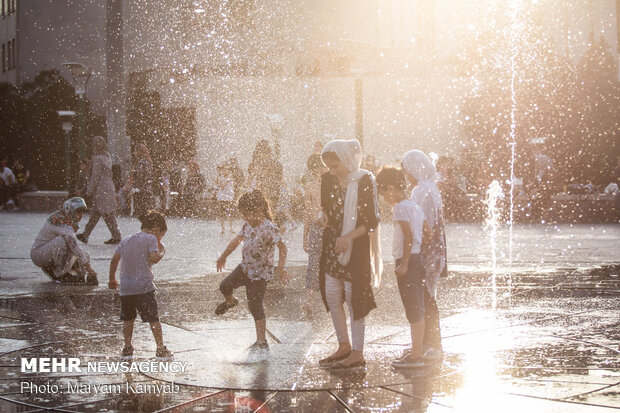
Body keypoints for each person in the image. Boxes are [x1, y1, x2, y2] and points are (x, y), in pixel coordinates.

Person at [317, 139, 382, 371]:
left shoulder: (365, 180)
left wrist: (349, 238)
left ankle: (357, 352)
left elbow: (372, 221)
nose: (332, 171)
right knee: (333, 296)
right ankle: (343, 345)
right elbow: (324, 207)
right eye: (329, 167)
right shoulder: (327, 179)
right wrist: (322, 215)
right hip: (333, 246)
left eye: (335, 166)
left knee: (355, 299)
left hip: (355, 249)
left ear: (347, 159)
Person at [215, 190, 290, 351]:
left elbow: (283, 248)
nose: (246, 218)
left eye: (248, 214)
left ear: (259, 210)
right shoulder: (247, 225)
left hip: (261, 275)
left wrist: (281, 268)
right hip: (244, 268)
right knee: (224, 286)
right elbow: (237, 240)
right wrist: (223, 256)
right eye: (243, 215)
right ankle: (231, 302)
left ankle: (261, 342)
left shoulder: (270, 228)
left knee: (255, 305)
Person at [376, 166, 431, 368]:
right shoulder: (415, 206)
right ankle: (418, 349)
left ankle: (416, 355)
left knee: (412, 307)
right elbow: (428, 232)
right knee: (418, 305)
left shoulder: (399, 208)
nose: (383, 198)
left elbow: (408, 235)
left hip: (407, 261)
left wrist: (406, 262)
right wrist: (417, 252)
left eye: (383, 193)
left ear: (390, 188)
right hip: (417, 259)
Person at [108, 210, 173, 360]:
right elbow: (154, 258)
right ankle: (160, 348)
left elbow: (114, 260)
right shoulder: (151, 238)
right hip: (144, 287)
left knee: (128, 319)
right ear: (156, 229)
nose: (159, 238)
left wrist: (112, 279)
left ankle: (127, 347)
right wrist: (162, 250)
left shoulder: (126, 240)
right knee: (153, 318)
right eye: (161, 235)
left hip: (126, 289)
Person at [402, 150, 447, 360]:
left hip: (425, 250)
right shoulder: (430, 188)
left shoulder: (422, 191)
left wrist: (413, 250)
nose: (406, 175)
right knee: (428, 296)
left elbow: (421, 224)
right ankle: (425, 343)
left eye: (407, 170)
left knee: (426, 298)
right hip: (435, 249)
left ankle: (431, 345)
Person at [30, 197, 98, 284]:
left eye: (83, 211)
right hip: (39, 255)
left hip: (47, 252)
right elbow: (73, 245)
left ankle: (76, 275)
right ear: (70, 210)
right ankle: (59, 274)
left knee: (85, 254)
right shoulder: (61, 222)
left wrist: (83, 272)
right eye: (78, 211)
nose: (81, 214)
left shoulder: (66, 217)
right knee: (65, 242)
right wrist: (90, 269)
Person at [77, 136, 122, 245]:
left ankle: (116, 236)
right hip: (108, 186)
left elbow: (95, 176)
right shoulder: (107, 157)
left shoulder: (97, 158)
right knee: (98, 213)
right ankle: (85, 235)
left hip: (101, 188)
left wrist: (90, 190)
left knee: (106, 214)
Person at [301, 153, 326, 316]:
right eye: (314, 170)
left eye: (320, 168)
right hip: (316, 229)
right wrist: (305, 235)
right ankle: (309, 300)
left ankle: (335, 298)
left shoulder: (336, 184)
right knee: (313, 264)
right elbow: (307, 212)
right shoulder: (310, 187)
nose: (317, 172)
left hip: (331, 228)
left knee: (330, 263)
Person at [132, 143, 155, 218]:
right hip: (148, 190)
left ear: (139, 152)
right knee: (147, 213)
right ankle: (149, 228)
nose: (134, 153)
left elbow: (140, 178)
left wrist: (134, 190)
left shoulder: (142, 163)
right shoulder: (148, 162)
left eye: (135, 151)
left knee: (141, 213)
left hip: (142, 192)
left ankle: (148, 228)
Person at [215, 163, 235, 233]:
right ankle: (223, 228)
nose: (225, 171)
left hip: (229, 196)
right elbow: (221, 186)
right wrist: (224, 181)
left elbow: (230, 185)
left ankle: (230, 228)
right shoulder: (220, 177)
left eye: (226, 170)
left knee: (229, 212)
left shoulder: (230, 177)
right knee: (222, 213)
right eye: (224, 170)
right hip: (222, 196)